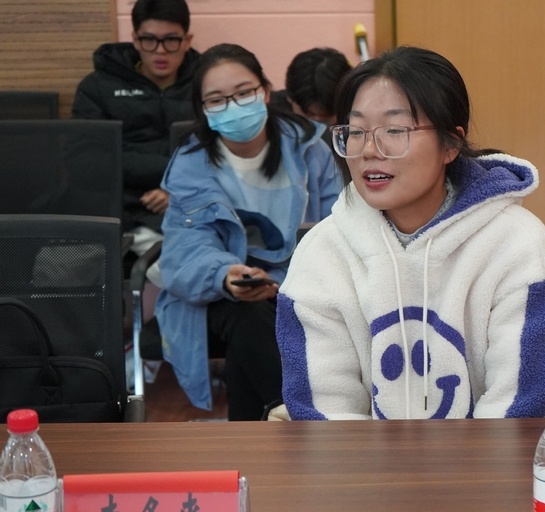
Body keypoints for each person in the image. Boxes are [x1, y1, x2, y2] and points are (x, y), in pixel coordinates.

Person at [276, 46, 545, 420]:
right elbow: (323, 412)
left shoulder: (517, 243)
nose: (369, 150)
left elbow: (521, 408)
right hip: (359, 459)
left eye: (395, 130)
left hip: (488, 458)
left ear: (451, 144)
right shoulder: (321, 252)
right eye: (356, 131)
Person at [155, 43, 343, 420]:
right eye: (217, 100)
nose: (233, 107)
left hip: (300, 283)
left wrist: (285, 282)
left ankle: (262, 425)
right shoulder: (191, 165)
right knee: (247, 311)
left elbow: (337, 228)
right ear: (203, 110)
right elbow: (185, 250)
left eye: (243, 93)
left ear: (266, 92)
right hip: (215, 293)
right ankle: (294, 414)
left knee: (255, 323)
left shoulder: (310, 150)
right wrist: (226, 274)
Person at [71, 0, 199, 257]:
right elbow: (85, 161)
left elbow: (219, 155)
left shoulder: (206, 84)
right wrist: (171, 174)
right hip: (116, 206)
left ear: (187, 41)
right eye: (149, 40)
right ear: (135, 40)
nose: (160, 51)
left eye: (171, 40)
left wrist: (177, 190)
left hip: (187, 205)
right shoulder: (98, 86)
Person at [269, 47, 353, 183]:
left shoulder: (359, 118)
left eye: (328, 116)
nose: (319, 125)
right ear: (290, 97)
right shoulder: (270, 121)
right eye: (310, 115)